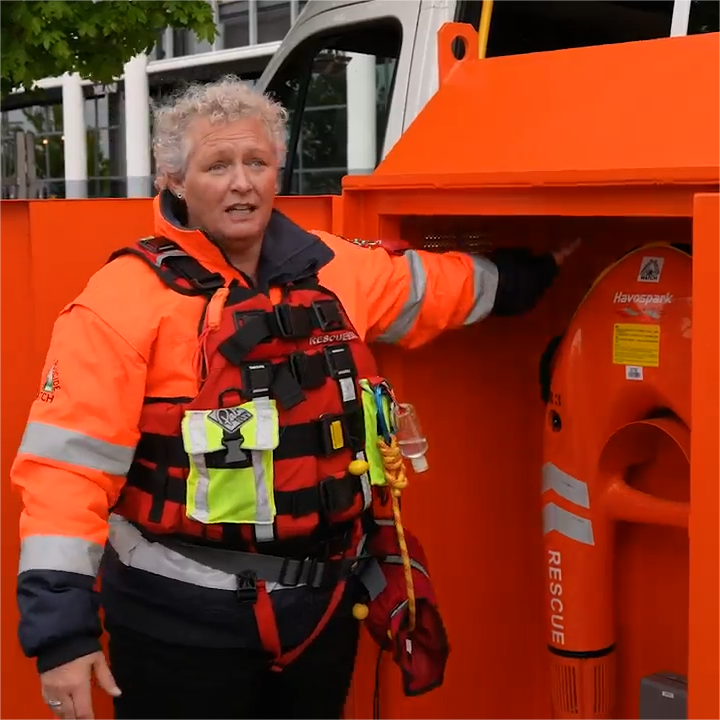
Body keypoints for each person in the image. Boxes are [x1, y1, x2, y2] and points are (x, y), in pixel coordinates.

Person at [12, 75, 578, 720]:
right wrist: (61, 635)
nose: (241, 182)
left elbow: (434, 288)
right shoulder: (120, 301)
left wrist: (540, 272)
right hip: (179, 624)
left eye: (257, 162)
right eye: (217, 165)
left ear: (277, 170)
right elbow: (66, 470)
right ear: (172, 180)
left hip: (323, 613)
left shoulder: (336, 269)